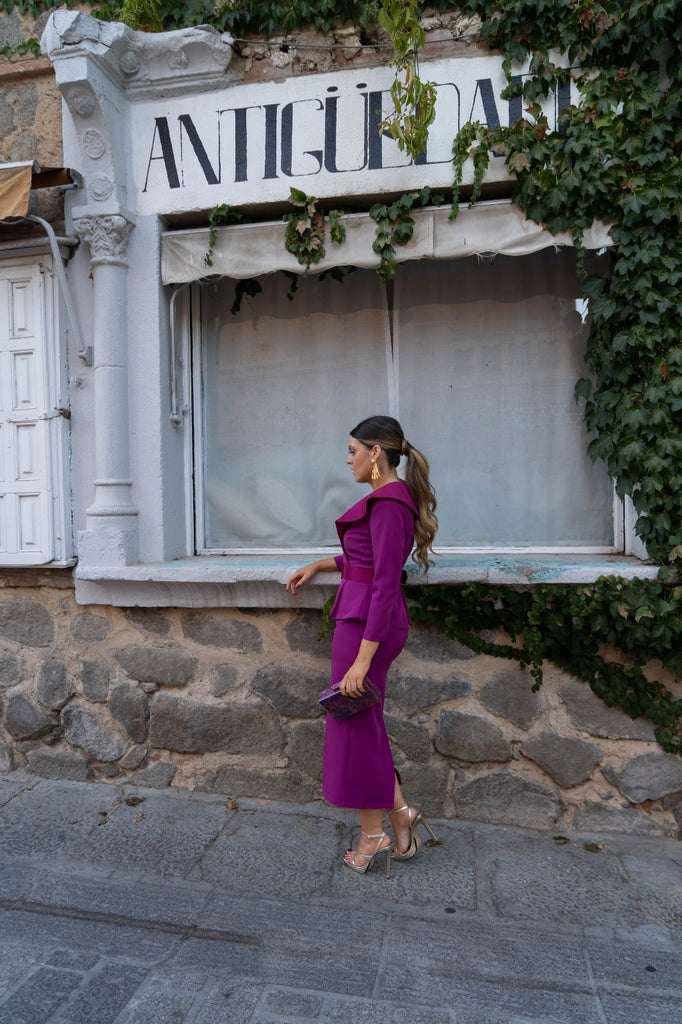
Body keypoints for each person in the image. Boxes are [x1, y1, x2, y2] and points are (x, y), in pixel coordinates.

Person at [286, 415, 439, 877]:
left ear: (376, 453)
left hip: (368, 627)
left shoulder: (390, 503)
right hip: (360, 621)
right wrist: (319, 565)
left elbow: (386, 583)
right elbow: (364, 557)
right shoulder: (387, 499)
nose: (347, 459)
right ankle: (400, 816)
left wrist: (362, 660)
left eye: (352, 450)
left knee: (356, 724)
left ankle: (373, 835)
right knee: (362, 723)